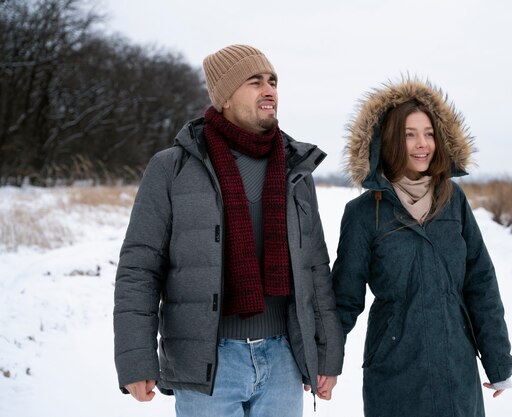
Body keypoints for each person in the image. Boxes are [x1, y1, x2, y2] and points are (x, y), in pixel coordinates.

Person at [113, 44, 344, 417]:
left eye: (273, 81)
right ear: (224, 97)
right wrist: (136, 360)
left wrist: (326, 354)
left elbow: (315, 267)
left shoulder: (295, 170)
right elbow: (139, 269)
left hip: (283, 359)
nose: (269, 90)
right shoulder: (172, 168)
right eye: (255, 82)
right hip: (208, 365)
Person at [331, 77, 512, 417]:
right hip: (394, 371)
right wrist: (327, 362)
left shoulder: (453, 200)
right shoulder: (362, 213)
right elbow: (343, 299)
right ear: (388, 141)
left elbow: (480, 281)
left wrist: (498, 359)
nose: (422, 144)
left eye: (429, 133)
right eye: (409, 134)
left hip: (456, 371)